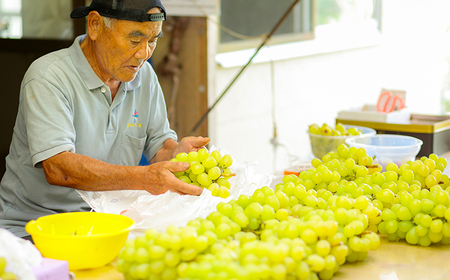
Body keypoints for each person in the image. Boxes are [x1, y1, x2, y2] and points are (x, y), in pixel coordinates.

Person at [0, 0, 209, 238]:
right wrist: (144, 178)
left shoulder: (144, 76)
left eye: (153, 41)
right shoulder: (49, 77)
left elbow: (159, 144)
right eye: (134, 40)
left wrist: (175, 153)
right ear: (95, 25)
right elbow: (58, 169)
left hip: (108, 223)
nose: (144, 54)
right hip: (35, 229)